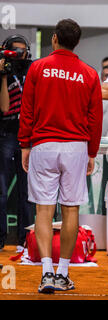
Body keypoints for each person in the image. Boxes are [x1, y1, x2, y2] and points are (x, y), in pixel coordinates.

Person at [18, 19, 103, 293]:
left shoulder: (38, 68)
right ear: (76, 42)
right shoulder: (89, 74)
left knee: (43, 210)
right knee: (70, 210)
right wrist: (91, 151)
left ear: (54, 39)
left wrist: (24, 144)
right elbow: (95, 118)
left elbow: (26, 109)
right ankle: (63, 273)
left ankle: (45, 273)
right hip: (76, 146)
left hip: (43, 144)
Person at [0, 34, 34, 252]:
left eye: (22, 51)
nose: (19, 55)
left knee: (28, 191)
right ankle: (1, 238)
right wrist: (2, 75)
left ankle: (26, 239)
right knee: (1, 191)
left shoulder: (32, 70)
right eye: (14, 51)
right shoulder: (1, 71)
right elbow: (4, 107)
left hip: (27, 137)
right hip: (4, 134)